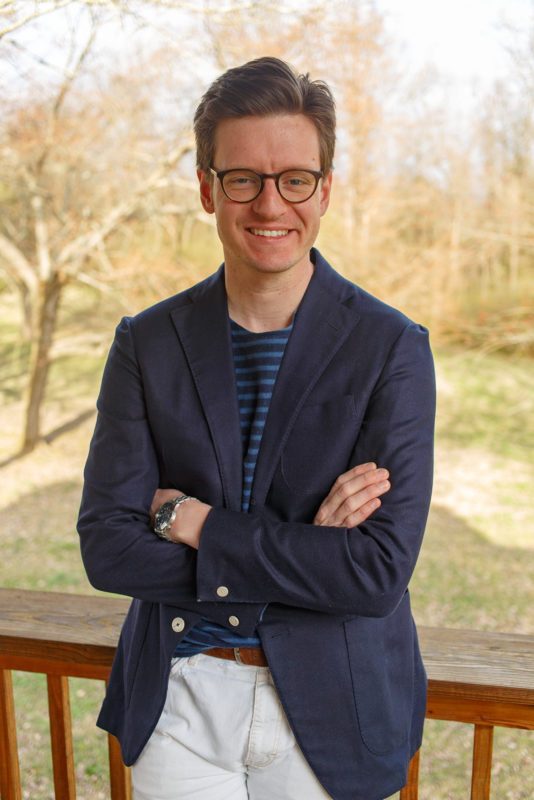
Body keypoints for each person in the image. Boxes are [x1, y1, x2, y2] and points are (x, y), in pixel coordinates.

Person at [77, 56, 435, 800]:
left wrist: (195, 523)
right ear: (208, 188)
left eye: (295, 178)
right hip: (179, 701)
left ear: (325, 189)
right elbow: (108, 549)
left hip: (335, 711)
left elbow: (374, 573)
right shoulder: (146, 342)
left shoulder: (392, 348)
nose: (270, 204)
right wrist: (309, 551)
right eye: (243, 178)